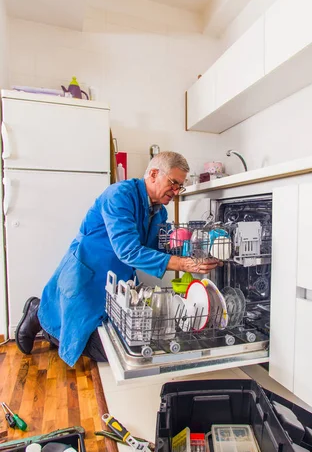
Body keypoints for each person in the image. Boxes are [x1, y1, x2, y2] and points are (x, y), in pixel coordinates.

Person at [15, 151, 219, 367]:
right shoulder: (119, 196)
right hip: (88, 277)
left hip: (117, 281)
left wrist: (194, 248)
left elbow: (156, 245)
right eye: (173, 183)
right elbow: (129, 251)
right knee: (93, 344)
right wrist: (183, 264)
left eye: (180, 186)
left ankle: (50, 319)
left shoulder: (158, 212)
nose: (176, 192)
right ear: (153, 174)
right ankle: (38, 312)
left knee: (124, 340)